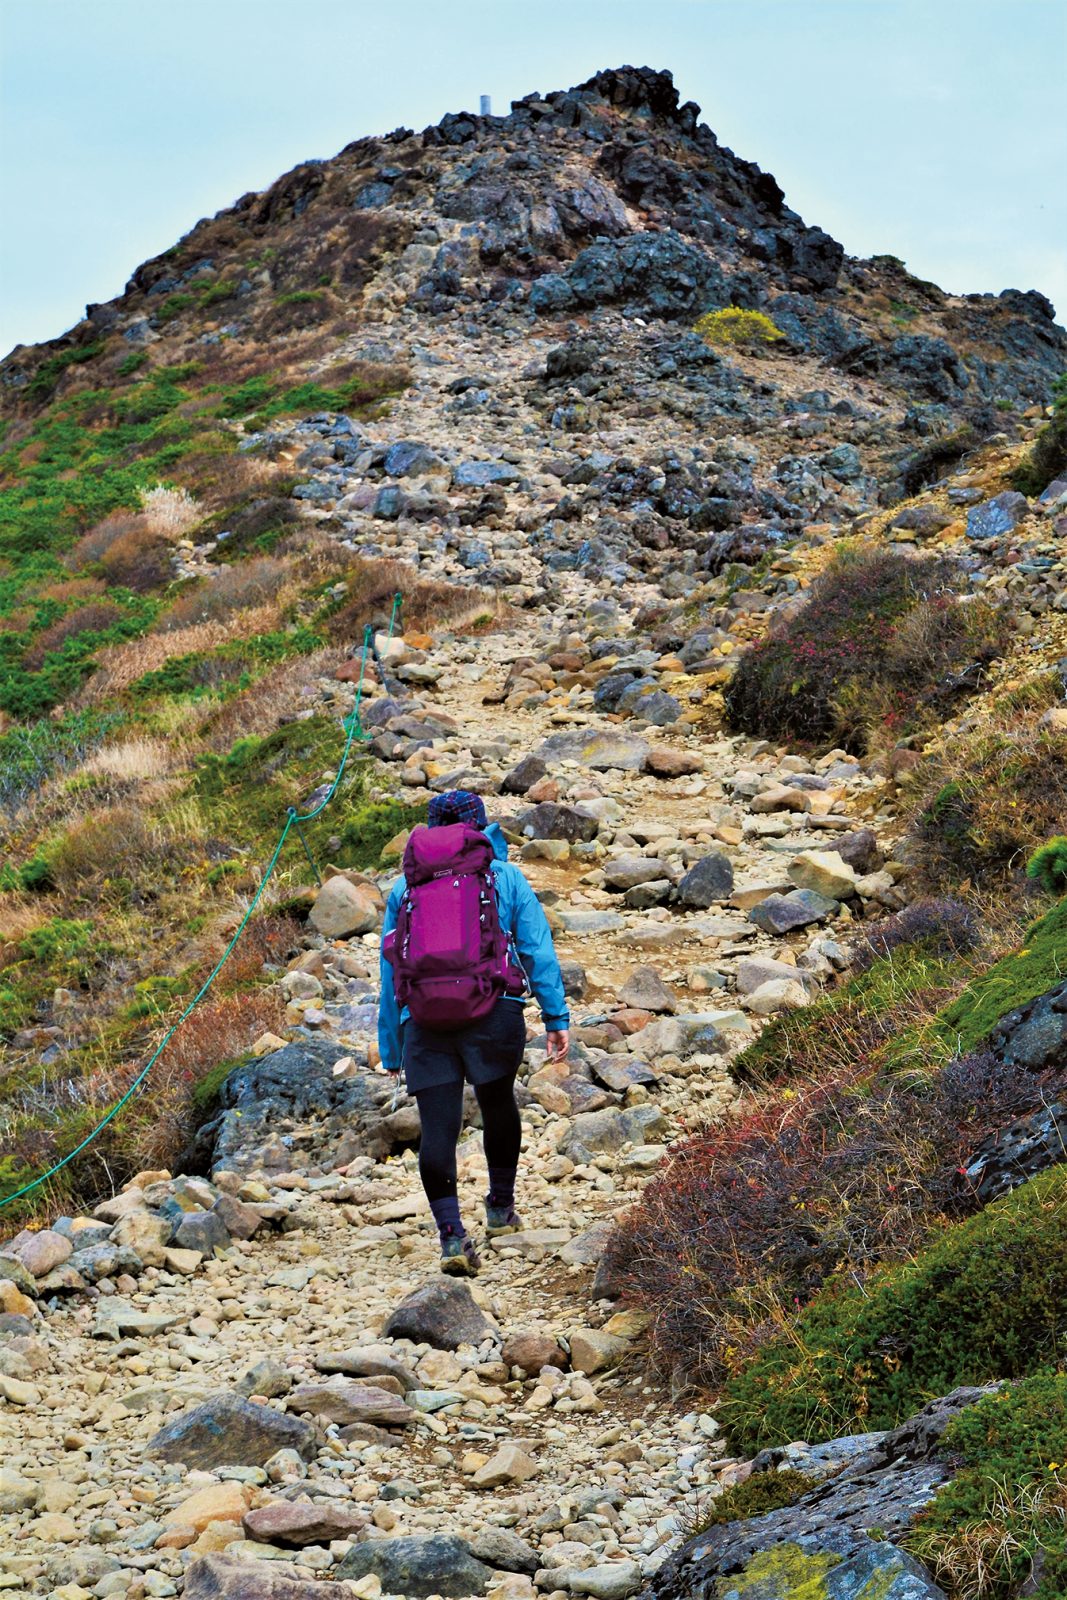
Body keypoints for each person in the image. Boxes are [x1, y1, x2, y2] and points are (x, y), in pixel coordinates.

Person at [378, 790, 569, 1276]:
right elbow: (535, 950)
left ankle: (451, 1237)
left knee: (437, 1127)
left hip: (424, 1019)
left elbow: (390, 972)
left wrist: (393, 1046)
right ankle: (501, 1210)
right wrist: (555, 1017)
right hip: (494, 1010)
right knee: (498, 1102)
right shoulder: (504, 876)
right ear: (482, 828)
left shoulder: (405, 888)